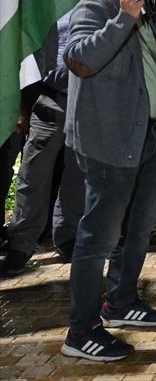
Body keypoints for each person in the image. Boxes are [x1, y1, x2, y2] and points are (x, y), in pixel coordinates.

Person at [60, 0, 156, 361]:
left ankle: (121, 301)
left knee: (139, 226)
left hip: (146, 134)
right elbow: (80, 59)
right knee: (98, 237)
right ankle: (81, 329)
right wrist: (123, 18)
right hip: (111, 139)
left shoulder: (143, 2)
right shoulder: (96, 5)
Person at [2, 18, 83, 276]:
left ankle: (67, 235)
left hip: (86, 96)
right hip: (49, 95)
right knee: (33, 171)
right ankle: (21, 242)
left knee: (77, 172)